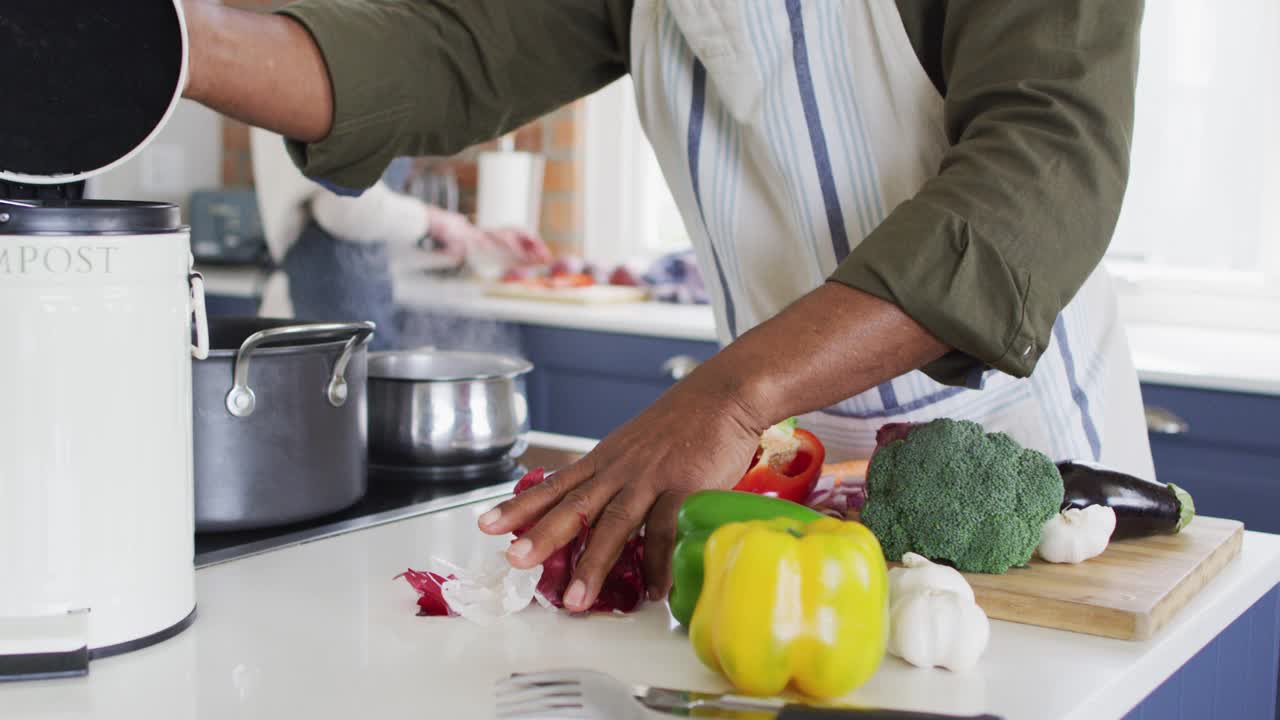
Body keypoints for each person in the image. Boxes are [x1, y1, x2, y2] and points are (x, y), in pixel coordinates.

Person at [181, 0, 1153, 613]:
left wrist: (731, 395)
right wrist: (175, 38)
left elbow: (1044, 159)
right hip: (789, 485)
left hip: (1032, 481)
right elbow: (447, 49)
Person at [250, 127, 549, 350]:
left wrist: (477, 241)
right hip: (308, 327)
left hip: (360, 312)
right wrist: (438, 221)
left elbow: (368, 246)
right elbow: (341, 208)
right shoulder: (308, 86)